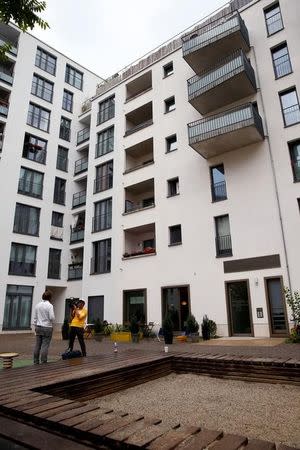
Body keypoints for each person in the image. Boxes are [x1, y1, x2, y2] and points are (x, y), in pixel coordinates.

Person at [33, 290, 55, 364]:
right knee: (45, 346)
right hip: (47, 327)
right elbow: (52, 317)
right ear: (50, 297)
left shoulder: (37, 305)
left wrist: (35, 325)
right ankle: (43, 361)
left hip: (38, 327)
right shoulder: (50, 305)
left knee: (37, 345)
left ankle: (35, 361)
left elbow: (35, 318)